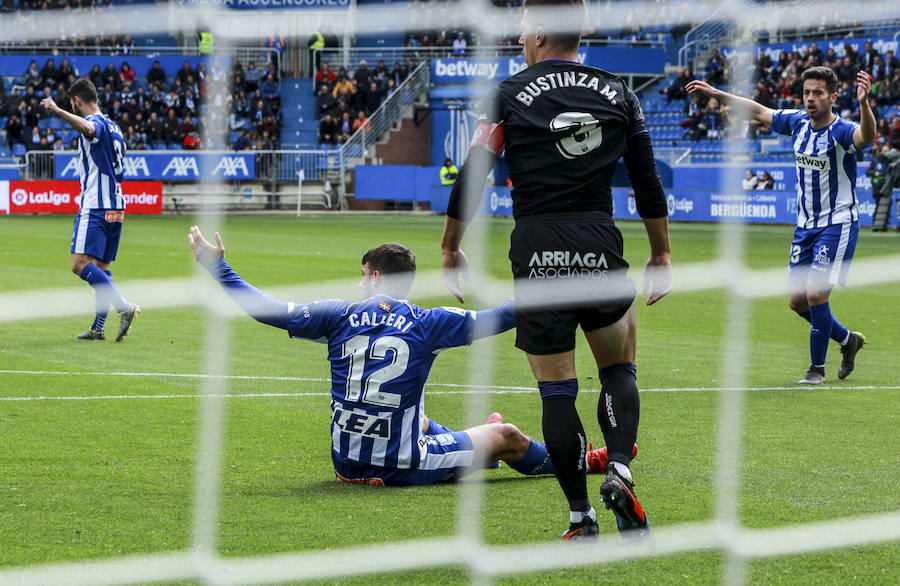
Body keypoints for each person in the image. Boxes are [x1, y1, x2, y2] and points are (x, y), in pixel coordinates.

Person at [440, 0, 671, 539]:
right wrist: (660, 253)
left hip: (537, 244)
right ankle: (618, 467)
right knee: (619, 367)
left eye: (521, 27)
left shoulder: (507, 94)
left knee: (556, 390)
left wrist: (451, 246)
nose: (518, 35)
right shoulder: (620, 92)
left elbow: (475, 170)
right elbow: (646, 180)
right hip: (599, 240)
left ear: (540, 32)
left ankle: (579, 517)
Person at [188, 230, 624, 487]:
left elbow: (266, 310)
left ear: (375, 275)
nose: (360, 284)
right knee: (508, 434)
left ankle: (473, 443)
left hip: (345, 459)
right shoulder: (427, 322)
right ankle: (577, 462)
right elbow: (504, 316)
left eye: (363, 276)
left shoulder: (337, 315)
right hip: (397, 465)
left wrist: (218, 268)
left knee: (416, 416)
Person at [687, 66, 874, 385]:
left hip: (837, 223)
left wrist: (865, 104)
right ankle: (847, 341)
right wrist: (717, 94)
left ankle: (816, 370)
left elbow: (865, 137)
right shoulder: (797, 122)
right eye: (807, 93)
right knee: (797, 301)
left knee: (815, 294)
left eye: (818, 93)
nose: (811, 98)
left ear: (833, 97)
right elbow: (758, 110)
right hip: (805, 226)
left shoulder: (841, 131)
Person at [40, 78, 140, 342]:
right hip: (117, 206)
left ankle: (124, 308)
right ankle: (98, 328)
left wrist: (57, 111)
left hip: (96, 205)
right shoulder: (115, 127)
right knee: (101, 268)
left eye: (72, 105)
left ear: (78, 101)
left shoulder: (94, 123)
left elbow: (87, 128)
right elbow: (124, 150)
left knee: (79, 265)